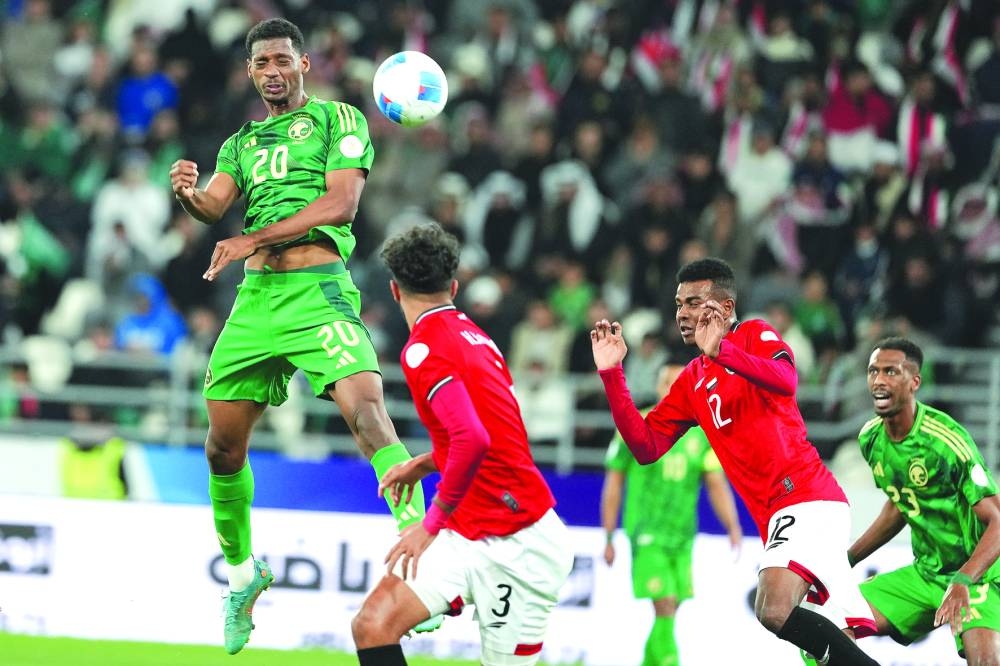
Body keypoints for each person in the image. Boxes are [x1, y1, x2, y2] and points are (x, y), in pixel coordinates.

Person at [167, 18, 428, 654]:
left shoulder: (341, 120)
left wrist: (251, 237)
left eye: (282, 58)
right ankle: (241, 575)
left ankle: (427, 565)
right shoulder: (239, 145)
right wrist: (189, 196)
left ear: (303, 64)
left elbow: (341, 205)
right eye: (261, 63)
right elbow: (216, 203)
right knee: (221, 451)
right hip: (255, 302)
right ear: (252, 73)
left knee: (368, 417)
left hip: (319, 294)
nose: (272, 70)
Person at [590, 257, 880, 665]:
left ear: (725, 309)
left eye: (694, 302)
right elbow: (645, 446)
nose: (683, 314)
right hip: (780, 514)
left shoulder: (753, 335)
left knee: (773, 608)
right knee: (816, 647)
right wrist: (612, 374)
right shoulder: (691, 379)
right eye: (678, 304)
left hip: (806, 497)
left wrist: (723, 350)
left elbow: (786, 380)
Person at [352, 222, 573, 666]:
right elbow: (493, 434)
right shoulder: (476, 337)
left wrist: (429, 525)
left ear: (395, 292)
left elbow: (473, 438)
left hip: (519, 543)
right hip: (471, 530)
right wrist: (425, 463)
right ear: (454, 286)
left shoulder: (424, 349)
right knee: (373, 625)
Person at [848, 337, 1000, 663]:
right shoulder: (871, 439)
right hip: (925, 575)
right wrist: (846, 559)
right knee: (828, 622)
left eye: (891, 372)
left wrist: (963, 579)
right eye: (873, 371)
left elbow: (998, 520)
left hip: (977, 576)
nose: (879, 380)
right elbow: (900, 505)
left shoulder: (945, 441)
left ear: (914, 381)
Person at [601, 363, 743, 666]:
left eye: (679, 382)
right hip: (646, 531)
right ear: (658, 386)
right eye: (667, 381)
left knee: (670, 609)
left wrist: (733, 525)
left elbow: (716, 483)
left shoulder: (702, 434)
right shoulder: (636, 423)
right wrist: (609, 535)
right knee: (664, 604)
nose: (672, 388)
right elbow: (614, 482)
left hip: (682, 535)